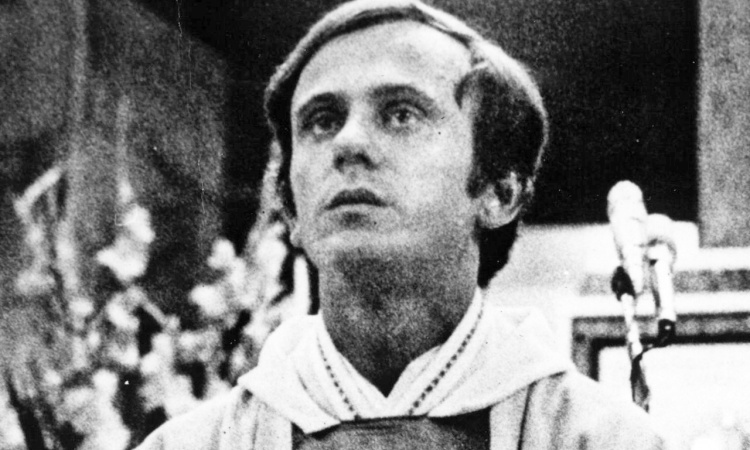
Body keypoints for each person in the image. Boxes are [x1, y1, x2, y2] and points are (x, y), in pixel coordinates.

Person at [138, 0, 668, 448]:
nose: (348, 143)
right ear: (291, 209)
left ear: (499, 192)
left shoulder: (599, 439)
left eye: (401, 114)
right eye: (322, 120)